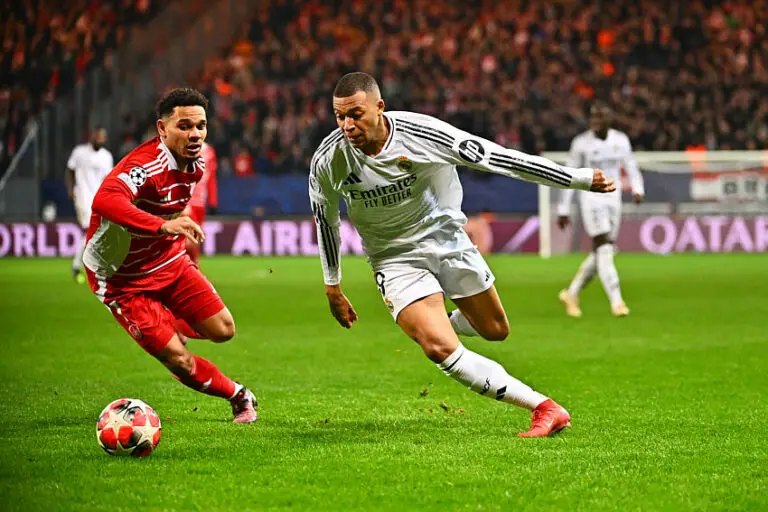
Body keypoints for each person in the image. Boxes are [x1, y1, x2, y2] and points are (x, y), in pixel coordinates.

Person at [309, 72, 615, 437]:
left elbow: (500, 159)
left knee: (495, 330)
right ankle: (544, 407)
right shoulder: (329, 159)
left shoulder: (424, 135)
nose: (347, 126)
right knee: (439, 347)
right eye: (340, 116)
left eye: (355, 114)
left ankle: (437, 322)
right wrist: (332, 285)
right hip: (393, 256)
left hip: (446, 239)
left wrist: (577, 178)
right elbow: (326, 218)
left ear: (380, 107)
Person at [84, 88, 257, 423]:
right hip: (122, 278)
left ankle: (166, 319)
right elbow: (106, 200)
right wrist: (162, 227)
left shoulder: (196, 165)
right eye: (184, 126)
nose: (195, 134)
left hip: (167, 261)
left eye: (201, 126)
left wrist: (171, 229)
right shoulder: (145, 166)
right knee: (178, 359)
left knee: (224, 330)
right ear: (162, 129)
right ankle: (238, 395)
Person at [556, 102, 645, 318]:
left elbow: (631, 166)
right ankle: (617, 301)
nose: (595, 121)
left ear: (609, 119)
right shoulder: (581, 143)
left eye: (600, 117)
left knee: (603, 251)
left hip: (613, 198)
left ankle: (571, 293)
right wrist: (563, 207)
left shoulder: (620, 140)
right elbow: (569, 175)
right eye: (593, 117)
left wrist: (638, 189)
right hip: (591, 198)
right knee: (604, 247)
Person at [65, 128, 113, 283]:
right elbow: (69, 170)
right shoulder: (79, 152)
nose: (99, 139)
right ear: (92, 136)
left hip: (98, 199)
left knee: (98, 232)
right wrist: (70, 189)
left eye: (102, 137)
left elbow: (107, 180)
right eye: (97, 136)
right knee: (90, 230)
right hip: (82, 197)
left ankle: (83, 266)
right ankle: (80, 266)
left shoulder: (106, 156)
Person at [183, 142, 218, 264]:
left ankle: (192, 267)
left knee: (195, 238)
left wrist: (213, 201)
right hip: (186, 201)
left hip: (200, 203)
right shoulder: (182, 146)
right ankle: (191, 267)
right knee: (188, 239)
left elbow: (211, 178)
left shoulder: (209, 151)